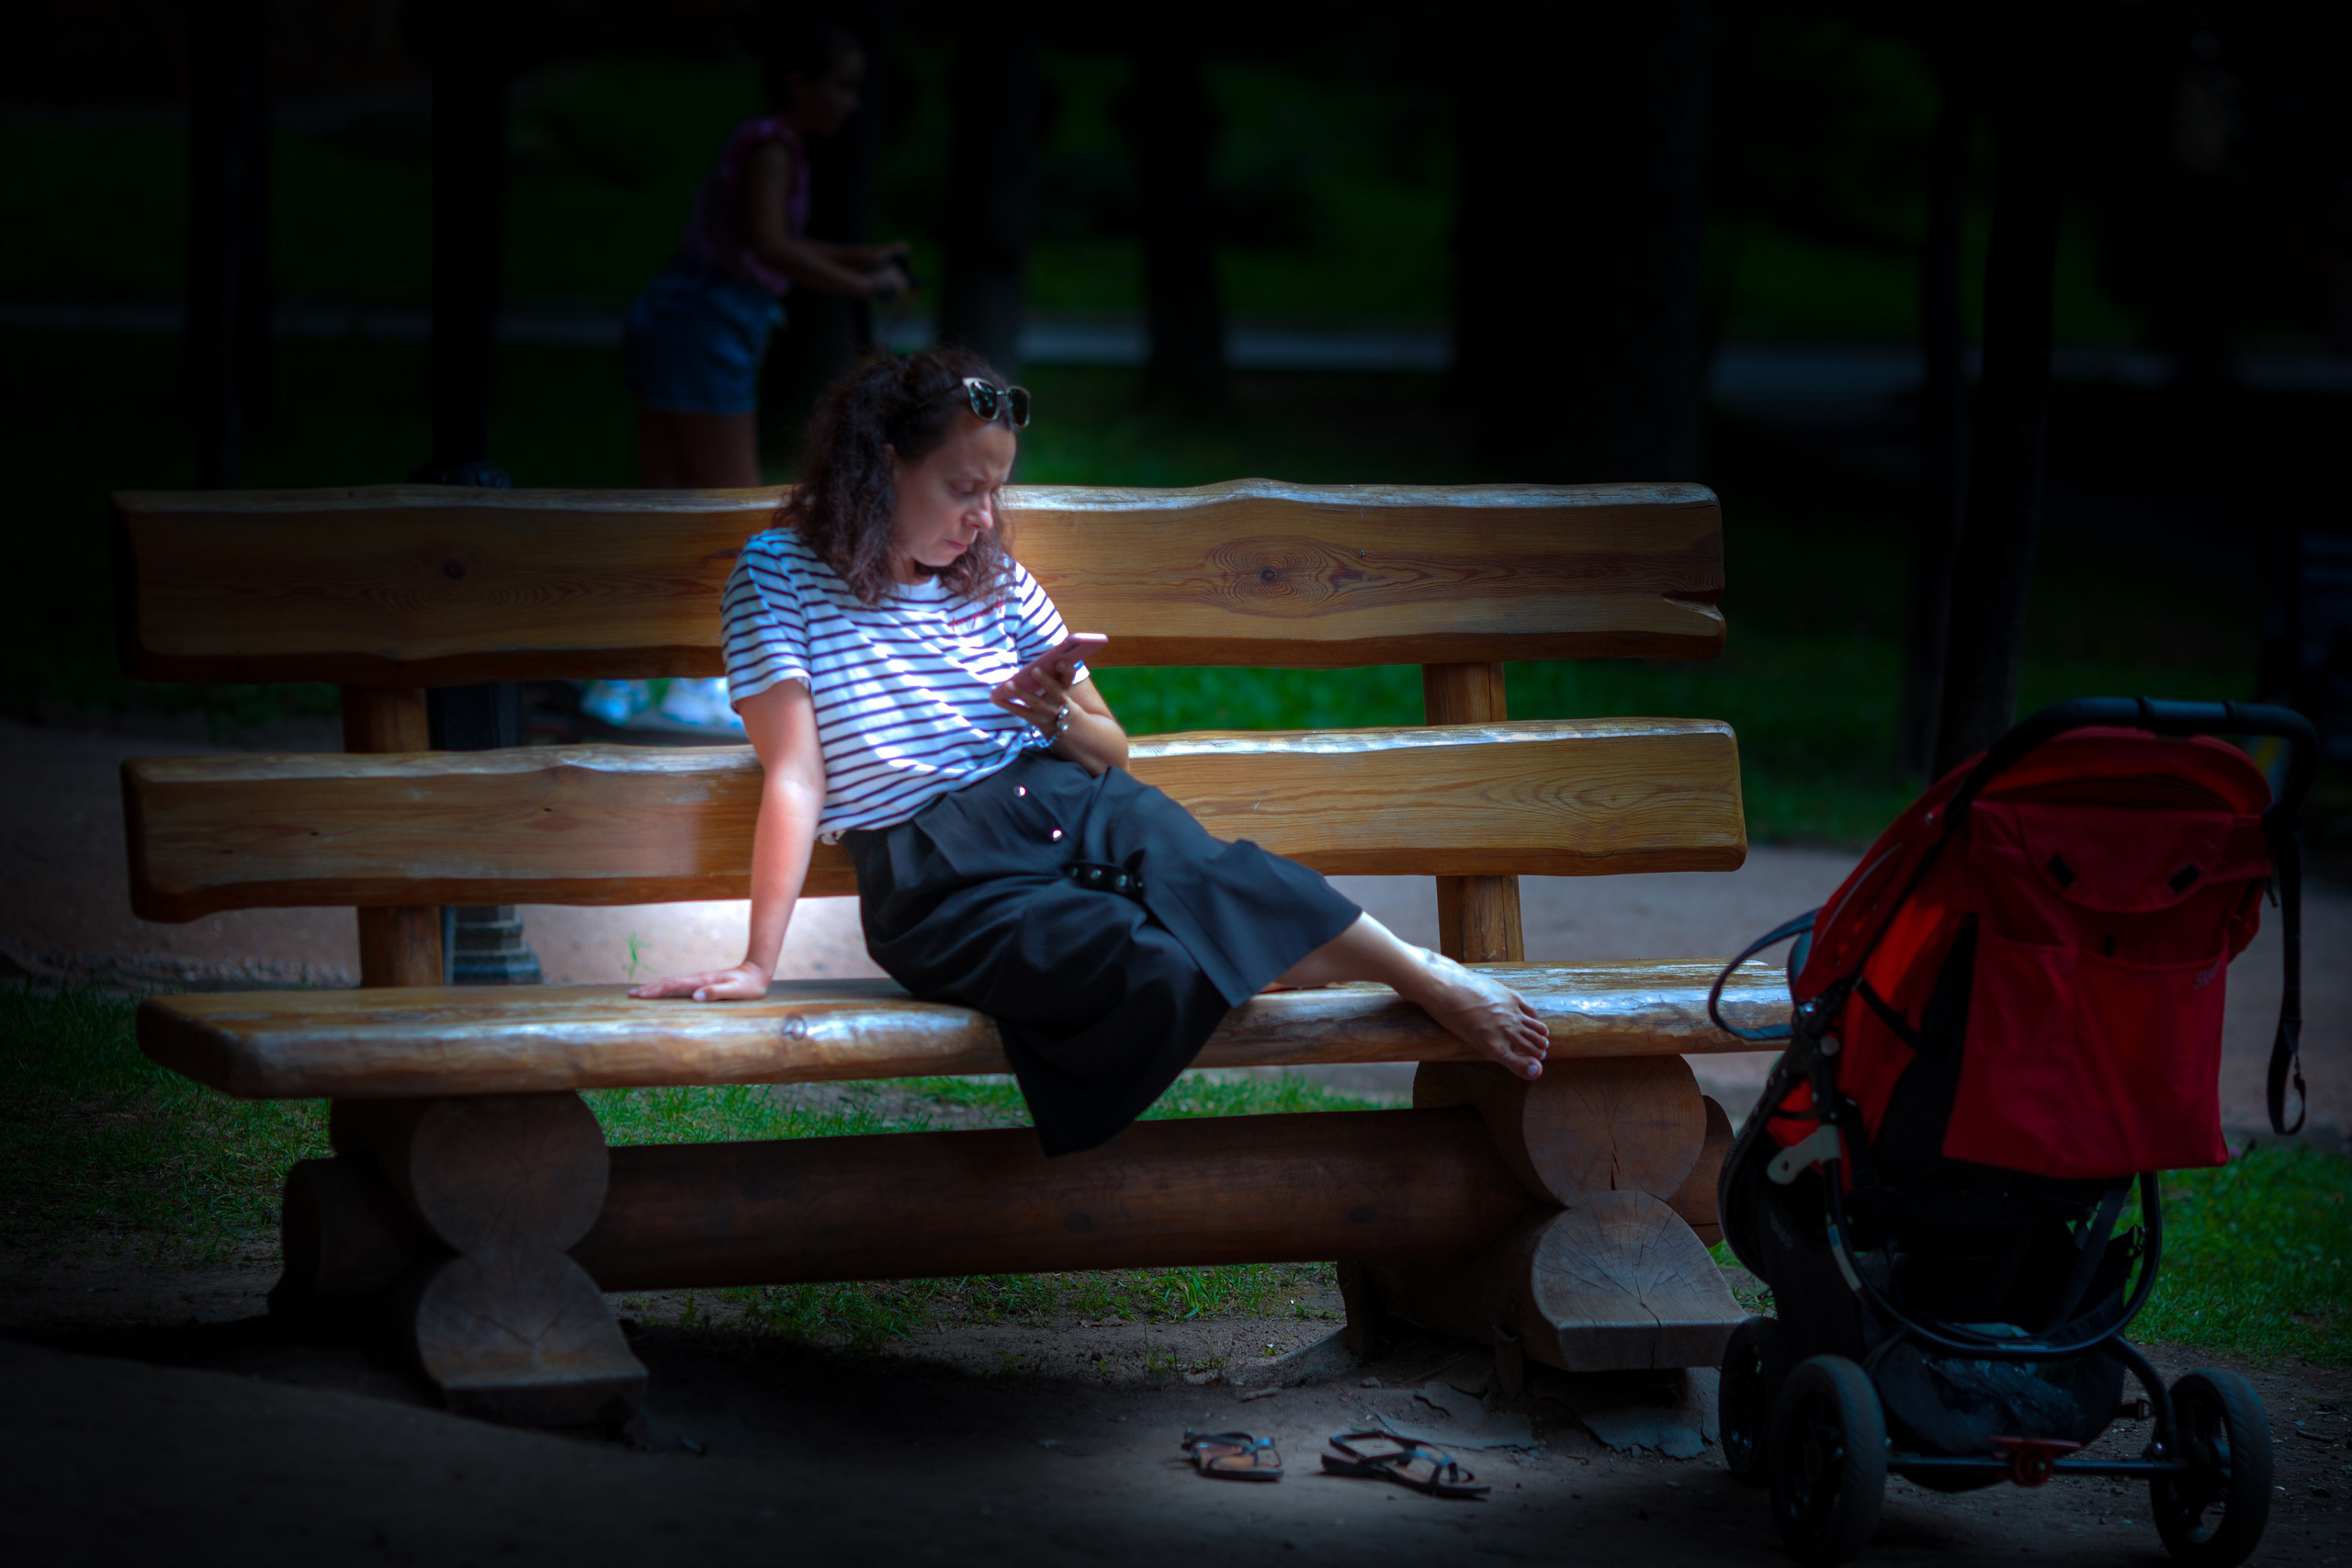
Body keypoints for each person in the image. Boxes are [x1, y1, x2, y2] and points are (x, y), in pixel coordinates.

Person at [629, 348, 1551, 1155]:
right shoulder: (777, 574)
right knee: (1157, 964)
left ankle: (1425, 975)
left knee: (1193, 859)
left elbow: (1113, 749)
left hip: (1063, 795)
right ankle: (1403, 970)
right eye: (962, 487)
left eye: (996, 490)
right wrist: (757, 960)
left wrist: (1051, 714)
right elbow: (795, 771)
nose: (983, 517)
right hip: (934, 869)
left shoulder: (998, 584)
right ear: (882, 464)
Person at [622, 17, 912, 489]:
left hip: (680, 318)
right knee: (732, 497)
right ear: (800, 84)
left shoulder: (766, 140)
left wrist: (863, 257)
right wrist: (864, 285)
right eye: (842, 87)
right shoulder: (771, 148)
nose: (852, 103)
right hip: (706, 326)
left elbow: (773, 240)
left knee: (668, 496)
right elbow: (770, 246)